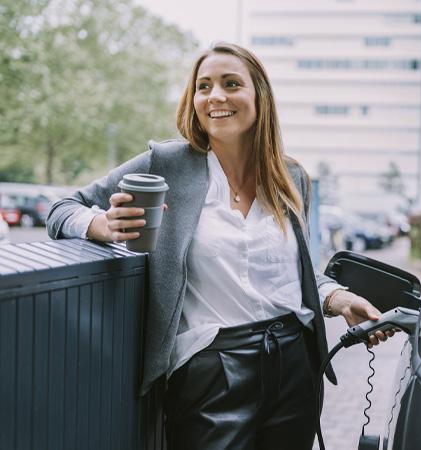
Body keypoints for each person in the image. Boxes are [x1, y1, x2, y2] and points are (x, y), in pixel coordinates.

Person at [46, 42, 393, 450]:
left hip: (294, 364)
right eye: (204, 86)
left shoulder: (291, 177)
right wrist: (100, 225)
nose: (216, 97)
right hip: (210, 368)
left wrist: (338, 299)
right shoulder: (168, 164)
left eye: (231, 84)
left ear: (259, 97)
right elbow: (61, 208)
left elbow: (296, 275)